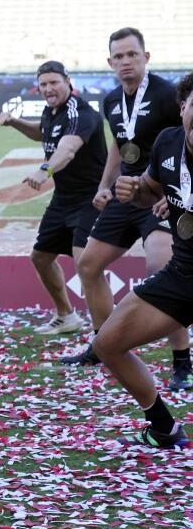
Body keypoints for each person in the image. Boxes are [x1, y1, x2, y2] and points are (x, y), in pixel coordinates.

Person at [70, 28, 188, 381]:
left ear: (146, 57)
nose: (125, 62)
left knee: (162, 266)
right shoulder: (110, 101)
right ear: (109, 62)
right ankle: (104, 344)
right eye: (118, 57)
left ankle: (182, 362)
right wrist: (105, 186)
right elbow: (120, 147)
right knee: (88, 266)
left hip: (162, 195)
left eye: (132, 55)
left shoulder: (168, 95)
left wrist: (173, 194)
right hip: (126, 194)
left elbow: (185, 143)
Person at [94, 72, 193, 447]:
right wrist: (131, 190)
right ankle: (164, 427)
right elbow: (148, 191)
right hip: (183, 275)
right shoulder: (168, 144)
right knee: (108, 343)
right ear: (182, 108)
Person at [0, 61, 107, 348]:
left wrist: (43, 170)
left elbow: (67, 149)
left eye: (54, 83)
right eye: (44, 84)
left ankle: (105, 338)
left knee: (87, 265)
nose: (48, 89)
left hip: (90, 199)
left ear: (68, 82)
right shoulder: (51, 112)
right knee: (40, 257)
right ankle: (67, 316)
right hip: (63, 200)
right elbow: (42, 132)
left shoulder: (81, 113)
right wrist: (15, 122)